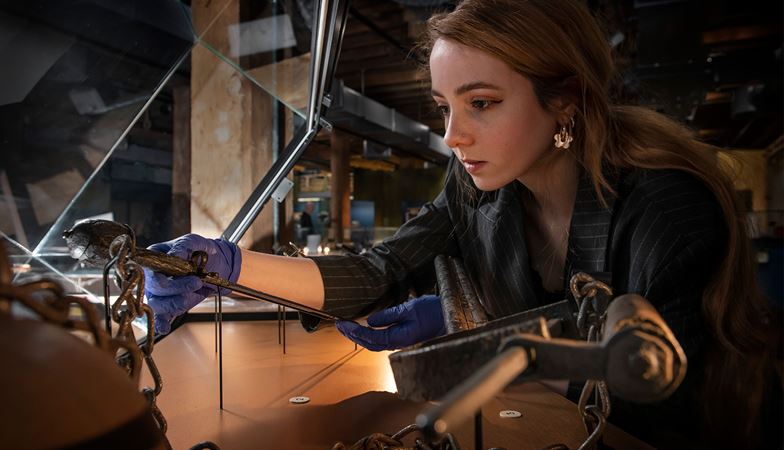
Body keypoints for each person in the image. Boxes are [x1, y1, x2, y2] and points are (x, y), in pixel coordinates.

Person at [143, 0, 781, 447]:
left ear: (566, 98)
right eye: (445, 107)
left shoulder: (668, 211)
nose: (454, 135)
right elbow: (380, 271)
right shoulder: (479, 189)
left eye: (481, 103)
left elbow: (658, 398)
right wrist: (222, 267)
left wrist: (482, 340)